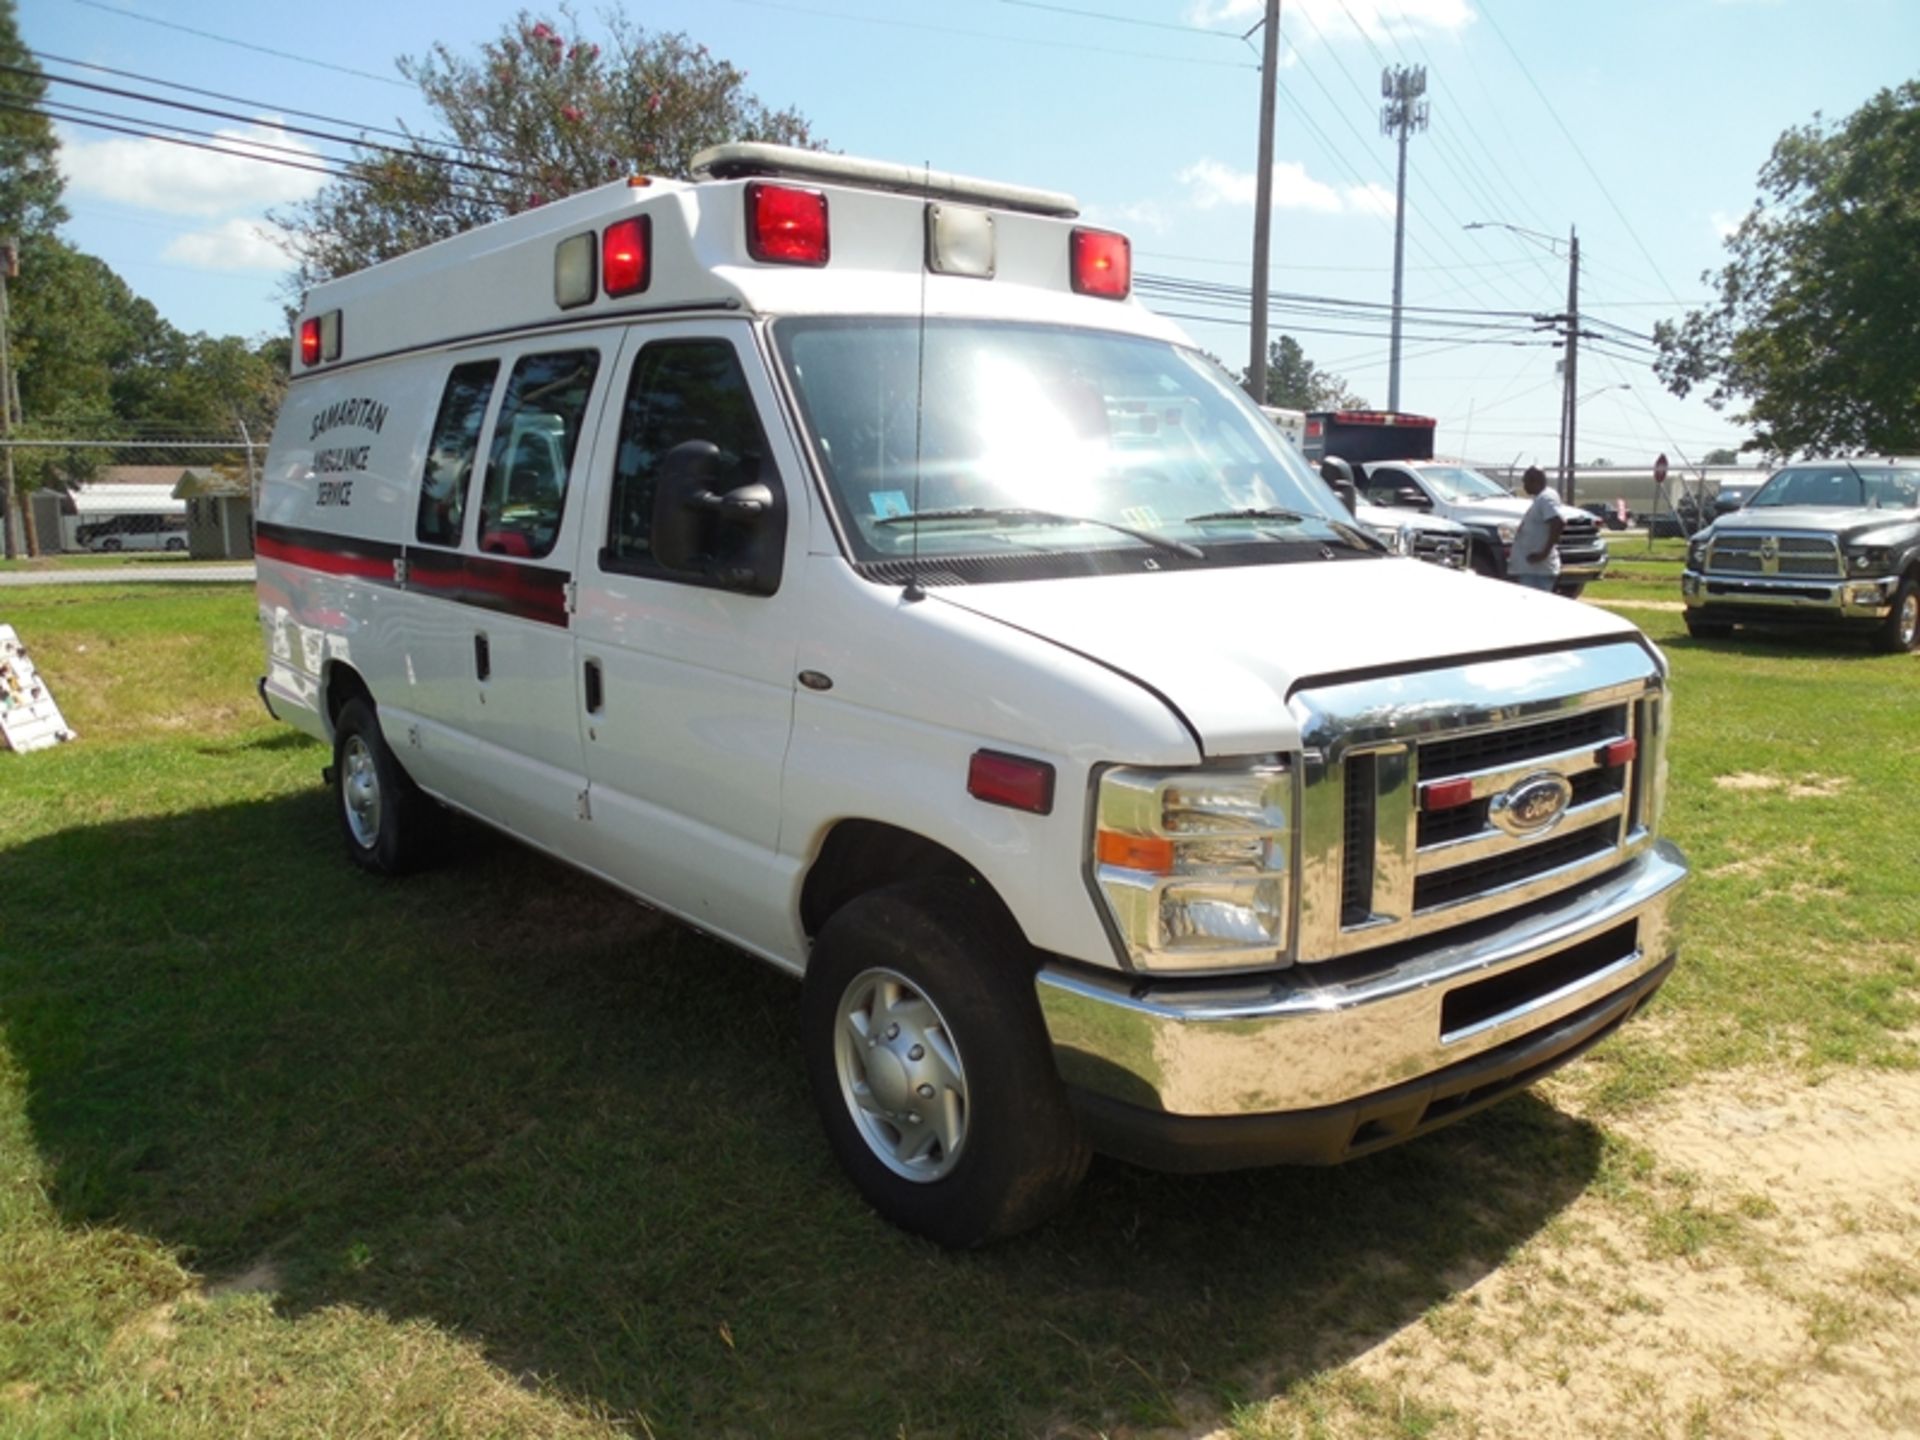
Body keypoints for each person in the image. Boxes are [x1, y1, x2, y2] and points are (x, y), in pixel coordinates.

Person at [1509, 464, 1564, 593]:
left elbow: (1558, 522)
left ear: (1535, 481)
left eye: (1525, 481)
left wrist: (1543, 553)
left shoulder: (1546, 498)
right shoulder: (1541, 498)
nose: (1524, 485)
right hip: (1532, 569)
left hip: (1538, 570)